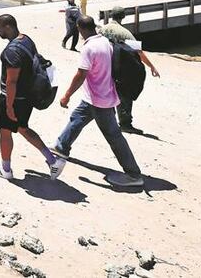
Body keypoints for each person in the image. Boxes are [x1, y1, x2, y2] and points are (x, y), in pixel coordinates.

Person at [53, 15, 144, 188]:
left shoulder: (89, 48)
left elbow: (81, 74)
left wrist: (67, 95)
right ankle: (61, 147)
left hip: (100, 100)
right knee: (77, 118)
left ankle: (133, 174)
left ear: (80, 29)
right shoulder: (104, 41)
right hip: (99, 96)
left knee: (114, 136)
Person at [0, 14, 67, 181]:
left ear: (7, 27)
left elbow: (11, 81)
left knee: (5, 132)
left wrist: (8, 106)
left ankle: (5, 169)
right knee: (23, 128)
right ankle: (53, 161)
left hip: (14, 99)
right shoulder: (26, 39)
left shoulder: (11, 51)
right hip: (27, 96)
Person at [99, 6, 161, 133]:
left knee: (108, 93)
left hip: (104, 65)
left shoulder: (102, 29)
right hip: (120, 67)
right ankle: (125, 123)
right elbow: (138, 52)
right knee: (125, 95)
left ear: (111, 15)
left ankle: (109, 119)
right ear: (123, 17)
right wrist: (151, 66)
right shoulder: (125, 33)